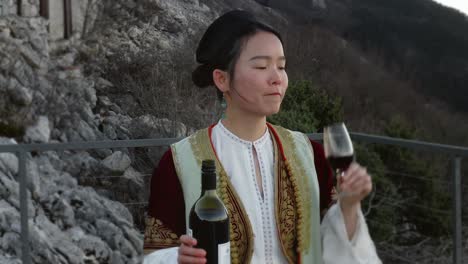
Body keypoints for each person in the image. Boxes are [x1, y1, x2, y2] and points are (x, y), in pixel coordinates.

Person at [143, 10, 381, 264]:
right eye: (261, 66)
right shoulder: (179, 163)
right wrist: (176, 258)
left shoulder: (310, 155)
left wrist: (349, 205)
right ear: (222, 79)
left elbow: (331, 244)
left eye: (281, 66)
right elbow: (155, 253)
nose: (277, 78)